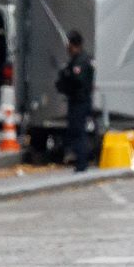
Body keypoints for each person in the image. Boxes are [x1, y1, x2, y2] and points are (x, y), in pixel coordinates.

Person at [56, 31, 96, 171]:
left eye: (69, 45)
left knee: (79, 132)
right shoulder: (76, 60)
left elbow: (77, 81)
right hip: (76, 101)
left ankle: (82, 164)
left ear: (74, 45)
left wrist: (66, 77)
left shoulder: (81, 61)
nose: (67, 48)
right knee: (75, 131)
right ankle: (79, 160)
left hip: (80, 101)